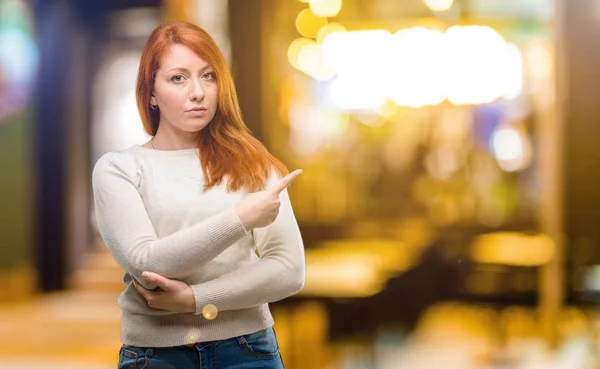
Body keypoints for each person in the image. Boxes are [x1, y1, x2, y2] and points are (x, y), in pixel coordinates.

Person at [92, 21, 305, 369]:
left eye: (208, 76)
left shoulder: (252, 163)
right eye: (178, 78)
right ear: (151, 93)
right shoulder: (120, 169)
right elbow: (147, 263)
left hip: (249, 351)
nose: (198, 92)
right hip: (157, 356)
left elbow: (289, 270)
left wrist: (195, 299)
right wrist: (241, 219)